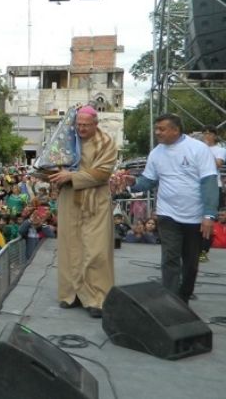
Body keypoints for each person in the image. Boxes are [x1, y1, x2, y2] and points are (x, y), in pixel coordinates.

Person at [120, 114, 218, 304]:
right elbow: (148, 180)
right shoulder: (156, 153)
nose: (157, 132)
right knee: (170, 259)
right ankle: (171, 302)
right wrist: (133, 182)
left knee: (190, 263)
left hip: (195, 217)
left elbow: (209, 182)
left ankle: (184, 298)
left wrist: (209, 215)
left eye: (162, 129)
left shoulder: (198, 149)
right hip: (167, 214)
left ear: (175, 129)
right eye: (156, 129)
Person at [49, 105, 117, 318]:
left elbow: (103, 173)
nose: (81, 129)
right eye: (78, 124)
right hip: (69, 200)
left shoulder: (106, 142)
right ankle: (71, 294)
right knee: (70, 247)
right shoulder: (65, 140)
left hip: (95, 202)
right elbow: (49, 165)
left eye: (86, 125)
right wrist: (54, 173)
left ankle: (97, 298)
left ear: (96, 124)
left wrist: (72, 176)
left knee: (96, 250)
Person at [200, 125, 226, 262]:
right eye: (205, 133)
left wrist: (205, 151)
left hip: (214, 186)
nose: (207, 136)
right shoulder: (198, 148)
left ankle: (204, 249)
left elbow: (218, 164)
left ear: (215, 136)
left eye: (210, 133)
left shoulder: (220, 149)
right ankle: (196, 248)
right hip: (198, 186)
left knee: (210, 218)